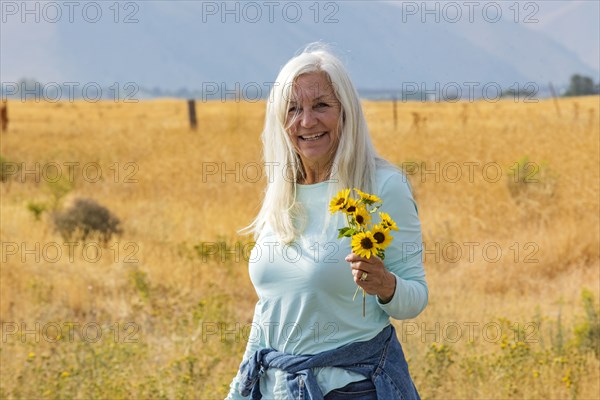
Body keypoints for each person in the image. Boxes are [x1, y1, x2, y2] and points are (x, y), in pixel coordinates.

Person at [226, 44, 428, 400]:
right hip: (279, 391)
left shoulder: (383, 186)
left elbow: (415, 297)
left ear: (346, 111)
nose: (306, 121)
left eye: (321, 105)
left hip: (354, 389)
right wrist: (239, 392)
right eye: (293, 109)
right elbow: (268, 312)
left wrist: (386, 286)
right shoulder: (281, 191)